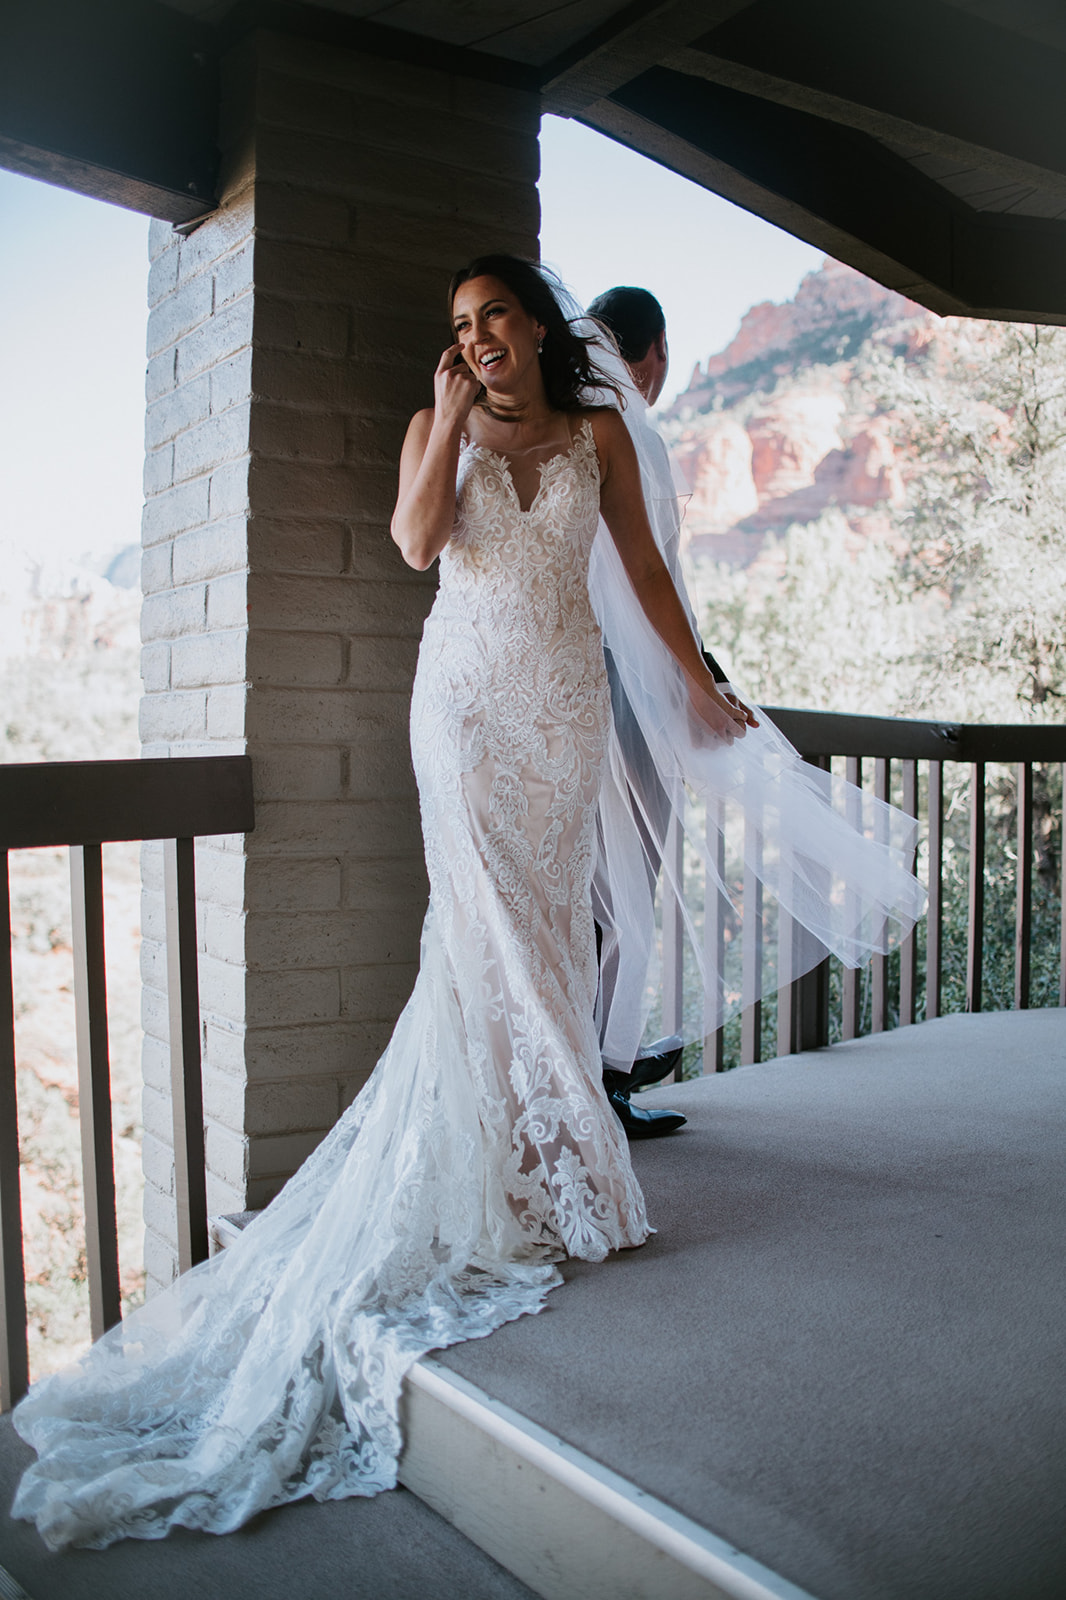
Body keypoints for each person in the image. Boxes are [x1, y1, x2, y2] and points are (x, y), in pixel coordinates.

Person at [11, 256, 923, 1553]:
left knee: (548, 937)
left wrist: (701, 688)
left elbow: (647, 577)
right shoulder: (435, 425)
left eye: (495, 317)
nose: (479, 338)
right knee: (484, 938)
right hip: (466, 712)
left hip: (561, 713)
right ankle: (559, 1184)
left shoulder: (599, 431)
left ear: (536, 326)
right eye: (458, 327)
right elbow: (414, 540)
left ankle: (544, 1176)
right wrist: (443, 421)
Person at [585, 285, 740, 1138]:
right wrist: (702, 678)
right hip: (627, 693)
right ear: (655, 351)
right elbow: (657, 581)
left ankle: (598, 1059)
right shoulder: (632, 437)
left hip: (562, 686)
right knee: (629, 885)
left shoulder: (560, 433)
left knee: (582, 890)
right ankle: (606, 1076)